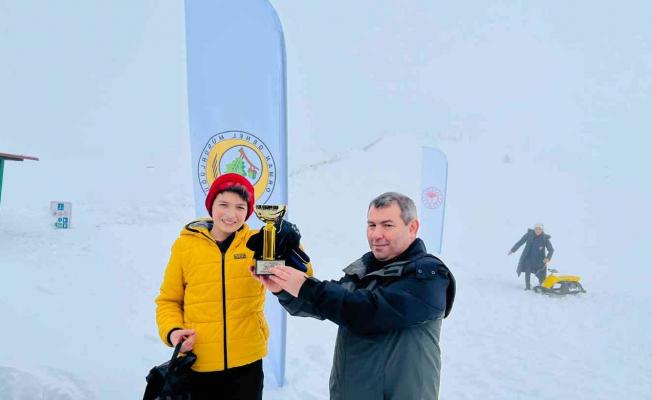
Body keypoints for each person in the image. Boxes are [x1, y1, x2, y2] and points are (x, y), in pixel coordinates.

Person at [252, 192, 455, 400]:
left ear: (412, 227)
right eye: (371, 225)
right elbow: (322, 305)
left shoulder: (429, 276)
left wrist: (305, 286)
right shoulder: (363, 270)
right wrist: (281, 287)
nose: (376, 234)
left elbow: (367, 312)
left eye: (387, 225)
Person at [155, 173, 312, 400]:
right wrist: (173, 331)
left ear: (248, 212)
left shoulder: (257, 243)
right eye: (223, 204)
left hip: (247, 363)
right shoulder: (185, 247)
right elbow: (168, 300)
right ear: (211, 205)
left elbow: (305, 278)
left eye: (240, 207)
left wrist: (291, 246)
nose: (231, 214)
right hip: (199, 363)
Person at [508, 223, 554, 290]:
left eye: (539, 229)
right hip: (528, 258)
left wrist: (548, 258)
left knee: (541, 275)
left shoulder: (544, 238)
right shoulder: (529, 235)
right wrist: (512, 250)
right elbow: (520, 242)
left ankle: (543, 285)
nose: (538, 230)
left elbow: (551, 250)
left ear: (542, 230)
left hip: (540, 260)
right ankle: (528, 287)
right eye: (536, 229)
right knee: (528, 271)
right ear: (534, 229)